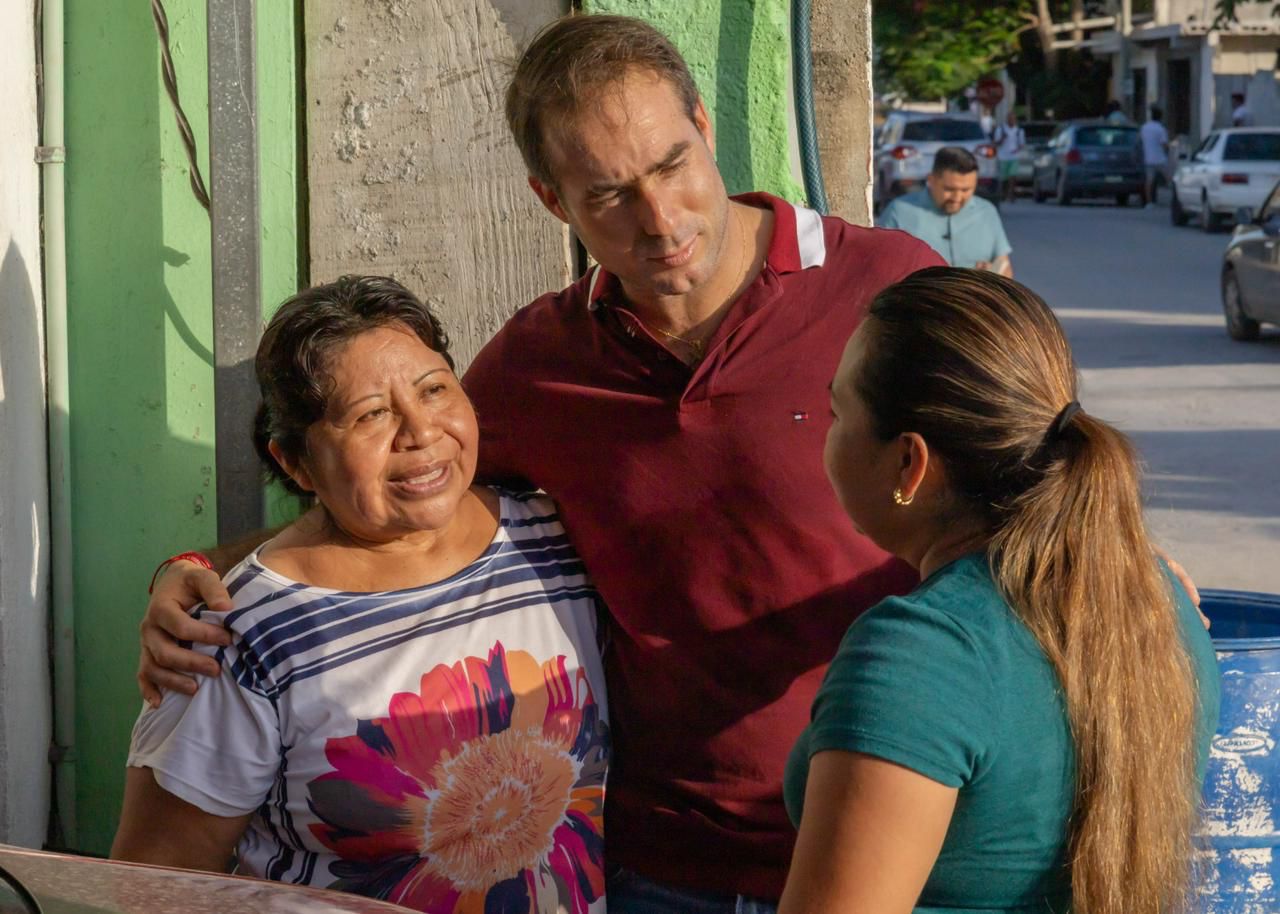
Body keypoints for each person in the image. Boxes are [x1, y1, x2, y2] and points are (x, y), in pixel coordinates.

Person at [136, 15, 1199, 913]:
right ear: (553, 203)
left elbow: (1033, 462)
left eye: (669, 166)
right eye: (606, 196)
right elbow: (394, 490)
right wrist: (208, 571)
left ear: (704, 128)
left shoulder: (884, 287)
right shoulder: (537, 366)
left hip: (893, 856)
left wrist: (1125, 563)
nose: (659, 220)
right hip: (655, 869)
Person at [113, 276, 610, 913]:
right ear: (296, 464)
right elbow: (156, 887)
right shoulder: (237, 637)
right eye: (370, 414)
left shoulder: (555, 537)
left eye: (434, 390)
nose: (420, 431)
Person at [779, 267, 1219, 914]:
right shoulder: (1158, 600)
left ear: (910, 463)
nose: (826, 432)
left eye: (837, 412)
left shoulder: (921, 654)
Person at [878, 147, 1013, 277]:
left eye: (966, 190)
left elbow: (1005, 267)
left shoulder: (986, 212)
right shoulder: (899, 212)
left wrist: (991, 275)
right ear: (931, 180)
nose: (957, 198)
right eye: (949, 189)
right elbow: (878, 267)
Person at [992, 111, 1025, 203]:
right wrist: (1002, 139)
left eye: (1013, 119)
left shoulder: (1019, 131)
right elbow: (995, 143)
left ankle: (1011, 194)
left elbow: (1021, 144)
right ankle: (1003, 193)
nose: (1012, 120)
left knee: (1012, 176)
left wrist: (1018, 149)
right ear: (1007, 119)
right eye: (1010, 118)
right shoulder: (1001, 129)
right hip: (1002, 157)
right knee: (1004, 178)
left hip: (1014, 156)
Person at [1140, 104, 1170, 207]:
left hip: (1148, 158)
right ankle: (1175, 199)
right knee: (1169, 179)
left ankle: (1149, 202)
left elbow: (1141, 141)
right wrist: (1167, 152)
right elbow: (1165, 145)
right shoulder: (1161, 129)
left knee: (1149, 181)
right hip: (1160, 159)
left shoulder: (1144, 128)